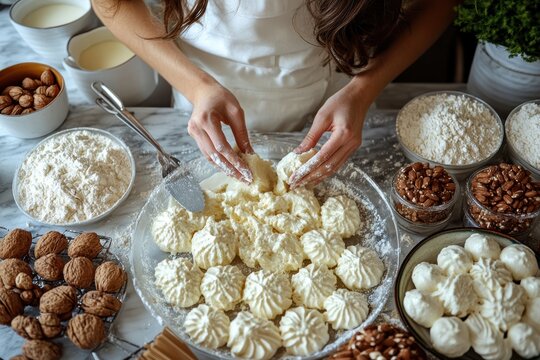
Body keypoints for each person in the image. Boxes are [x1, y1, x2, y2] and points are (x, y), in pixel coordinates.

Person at [93, 0, 458, 187]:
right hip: (204, 90)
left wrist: (362, 91)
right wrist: (196, 86)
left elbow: (440, 4)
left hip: (335, 86)